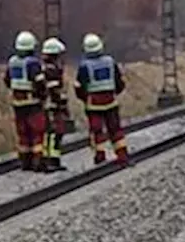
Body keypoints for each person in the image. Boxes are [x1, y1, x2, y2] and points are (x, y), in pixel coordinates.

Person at [75, 33, 129, 166]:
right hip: (111, 100)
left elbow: (79, 87)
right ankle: (122, 154)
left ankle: (100, 155)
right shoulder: (110, 62)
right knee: (115, 129)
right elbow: (119, 82)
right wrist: (114, 93)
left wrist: (85, 98)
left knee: (97, 130)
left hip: (93, 104)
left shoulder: (84, 66)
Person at [3, 31, 46, 171]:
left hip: (18, 103)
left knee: (23, 132)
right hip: (33, 103)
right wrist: (43, 96)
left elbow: (7, 80)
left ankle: (24, 161)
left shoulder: (12, 62)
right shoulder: (33, 63)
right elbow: (39, 82)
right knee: (36, 131)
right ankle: (37, 160)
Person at [39, 37, 70, 172]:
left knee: (51, 133)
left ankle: (50, 159)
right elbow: (54, 90)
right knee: (54, 133)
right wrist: (62, 104)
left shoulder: (45, 68)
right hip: (52, 106)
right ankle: (52, 160)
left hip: (48, 105)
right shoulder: (51, 70)